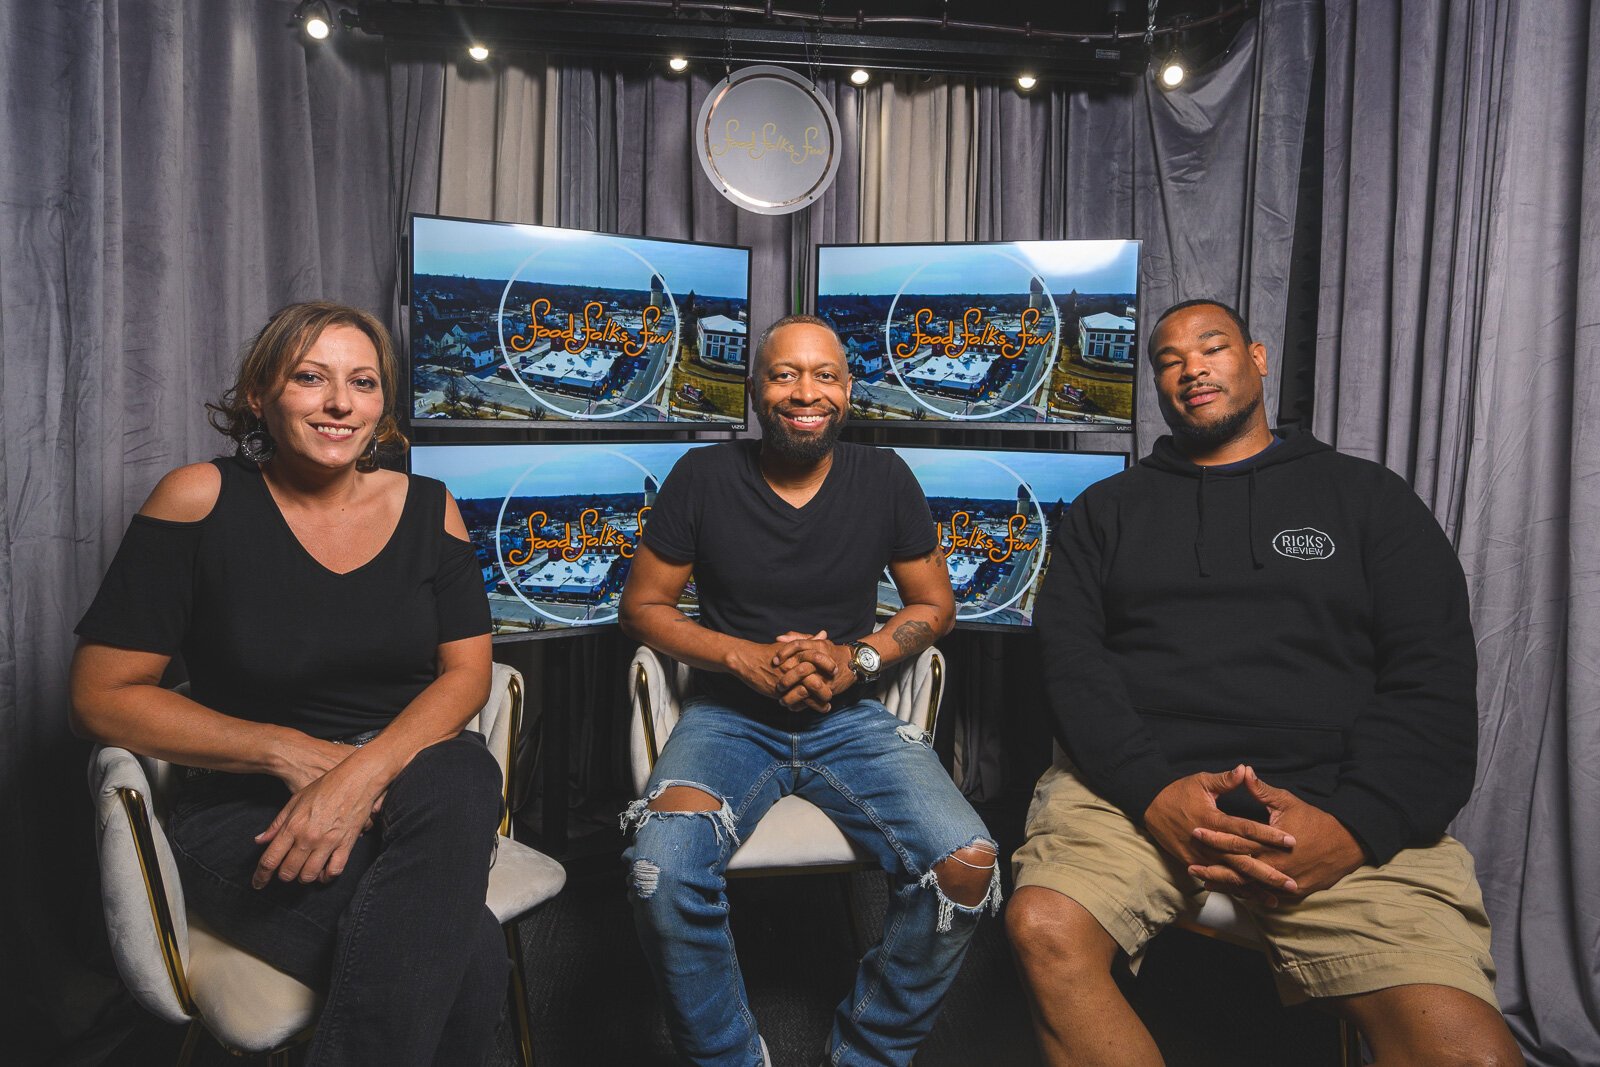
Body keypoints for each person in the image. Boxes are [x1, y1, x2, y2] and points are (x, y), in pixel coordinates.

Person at [1006, 299, 1524, 1066]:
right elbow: (1070, 669)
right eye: (1169, 360)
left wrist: (1354, 827)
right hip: (1138, 795)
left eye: (1211, 348)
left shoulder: (1370, 499)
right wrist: (1153, 793)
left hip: (1332, 802)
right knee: (1044, 925)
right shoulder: (1105, 511)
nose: (1191, 369)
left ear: (1257, 358)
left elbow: (1433, 683)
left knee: (1470, 1054)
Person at [70, 301, 505, 1066]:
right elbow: (99, 695)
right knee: (468, 946)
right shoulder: (198, 498)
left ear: (382, 404)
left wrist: (359, 777)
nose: (340, 402)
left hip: (412, 777)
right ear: (258, 394)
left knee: (466, 769)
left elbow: (467, 673)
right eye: (310, 377)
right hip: (244, 808)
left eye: (363, 382)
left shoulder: (430, 507)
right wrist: (287, 751)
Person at [618, 314, 1000, 1067]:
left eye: (824, 375)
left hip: (850, 718)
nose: (805, 392)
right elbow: (642, 608)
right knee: (660, 868)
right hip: (728, 718)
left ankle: (866, 1054)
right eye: (785, 373)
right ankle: (730, 1058)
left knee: (966, 864)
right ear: (756, 389)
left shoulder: (884, 476)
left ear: (848, 390)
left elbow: (935, 605)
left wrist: (857, 659)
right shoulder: (703, 475)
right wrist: (743, 658)